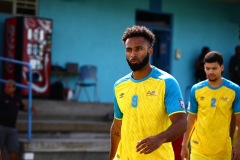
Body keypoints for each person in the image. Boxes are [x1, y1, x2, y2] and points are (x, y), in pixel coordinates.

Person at [109, 25, 187, 160]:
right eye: (129, 50)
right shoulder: (119, 86)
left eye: (138, 49)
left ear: (150, 51)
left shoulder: (166, 82)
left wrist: (160, 138)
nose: (133, 54)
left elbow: (181, 122)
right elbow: (117, 126)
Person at [181, 51, 240, 160]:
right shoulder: (196, 89)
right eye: (207, 68)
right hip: (199, 149)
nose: (210, 72)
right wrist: (184, 144)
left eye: (214, 68)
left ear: (222, 68)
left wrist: (238, 145)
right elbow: (191, 118)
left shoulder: (234, 90)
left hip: (223, 151)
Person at [0, 80, 36, 160]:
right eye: (5, 87)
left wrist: (30, 108)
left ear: (14, 88)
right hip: (1, 127)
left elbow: (21, 106)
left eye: (9, 87)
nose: (6, 89)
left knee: (14, 149)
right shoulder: (2, 97)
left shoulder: (17, 98)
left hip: (12, 128)